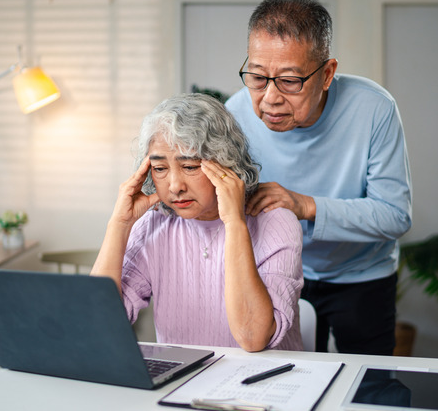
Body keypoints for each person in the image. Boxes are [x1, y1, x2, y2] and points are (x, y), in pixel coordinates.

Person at [225, 0, 412, 356]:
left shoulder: (374, 109)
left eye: (290, 81)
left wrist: (304, 205)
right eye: (258, 77)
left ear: (326, 74)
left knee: (368, 385)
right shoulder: (235, 113)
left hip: (361, 276)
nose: (270, 98)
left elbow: (395, 215)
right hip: (276, 271)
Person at [91, 93, 304, 352]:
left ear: (226, 162)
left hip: (262, 384)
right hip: (183, 385)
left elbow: (252, 337)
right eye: (159, 169)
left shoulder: (276, 222)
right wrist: (120, 224)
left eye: (190, 166)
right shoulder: (153, 225)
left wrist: (234, 222)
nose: (175, 186)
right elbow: (97, 324)